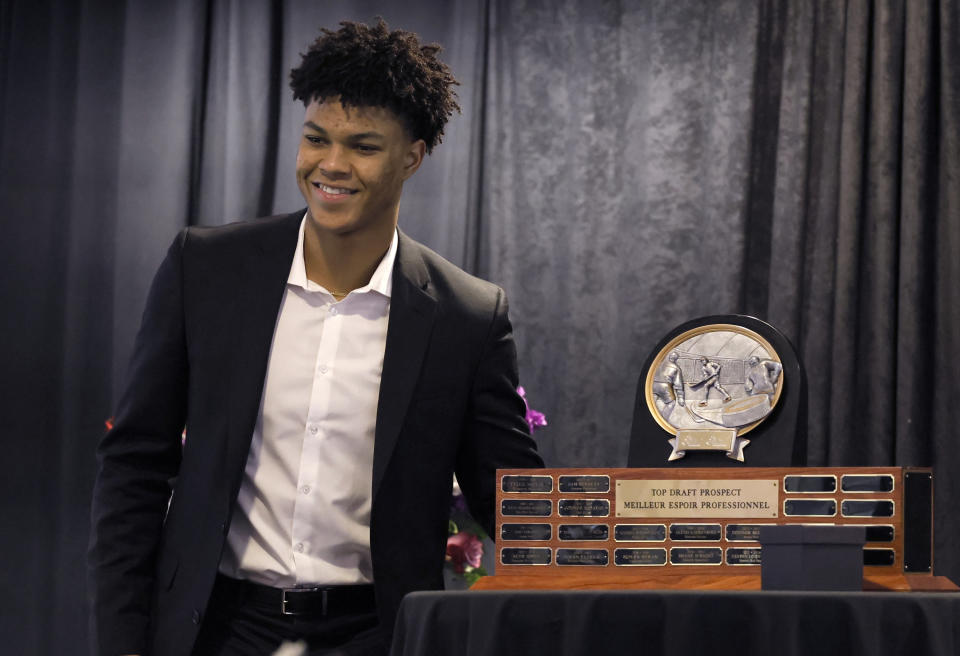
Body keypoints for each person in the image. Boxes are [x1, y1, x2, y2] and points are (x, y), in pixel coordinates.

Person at [88, 19, 543, 656]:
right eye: (316, 139)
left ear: (411, 157)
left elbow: (514, 505)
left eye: (363, 146)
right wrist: (121, 639)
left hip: (376, 636)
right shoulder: (207, 269)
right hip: (215, 629)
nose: (331, 165)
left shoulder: (467, 315)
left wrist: (663, 536)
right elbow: (135, 465)